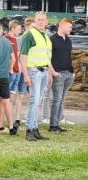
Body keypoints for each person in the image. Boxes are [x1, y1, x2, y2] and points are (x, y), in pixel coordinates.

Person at [20, 12, 56, 141]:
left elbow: (47, 57)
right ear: (34, 21)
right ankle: (29, 130)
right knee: (34, 102)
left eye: (43, 20)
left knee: (38, 102)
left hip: (44, 71)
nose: (41, 22)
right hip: (34, 71)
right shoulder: (29, 34)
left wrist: (50, 73)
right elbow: (23, 56)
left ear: (46, 22)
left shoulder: (45, 36)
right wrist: (25, 74)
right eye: (38, 20)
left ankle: (35, 129)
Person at [49, 18, 74, 132]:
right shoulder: (52, 40)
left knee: (62, 100)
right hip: (58, 74)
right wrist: (53, 72)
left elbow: (68, 56)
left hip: (68, 74)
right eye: (69, 27)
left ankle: (57, 123)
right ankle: (53, 125)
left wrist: (72, 73)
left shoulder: (68, 40)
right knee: (57, 99)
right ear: (62, 26)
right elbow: (47, 58)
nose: (71, 29)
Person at [0, 20, 22, 129]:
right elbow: (5, 56)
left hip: (16, 71)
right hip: (10, 73)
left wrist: (18, 67)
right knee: (4, 99)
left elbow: (16, 56)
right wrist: (10, 68)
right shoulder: (6, 39)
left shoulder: (15, 40)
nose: (20, 31)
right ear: (12, 29)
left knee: (9, 99)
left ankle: (7, 122)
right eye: (18, 29)